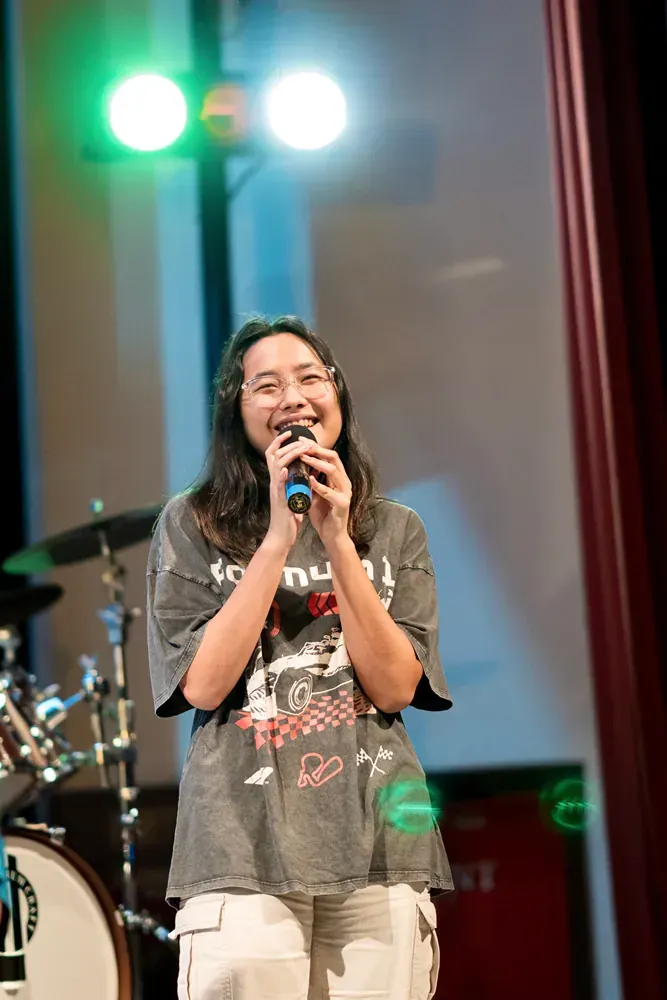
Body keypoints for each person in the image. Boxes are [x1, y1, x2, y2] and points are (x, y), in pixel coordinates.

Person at [147, 316, 454, 1000]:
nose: (292, 396)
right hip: (239, 849)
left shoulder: (394, 528)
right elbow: (203, 684)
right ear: (236, 410)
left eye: (310, 377)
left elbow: (395, 685)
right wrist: (277, 542)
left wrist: (338, 540)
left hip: (378, 845)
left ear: (336, 396)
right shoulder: (191, 523)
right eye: (266, 384)